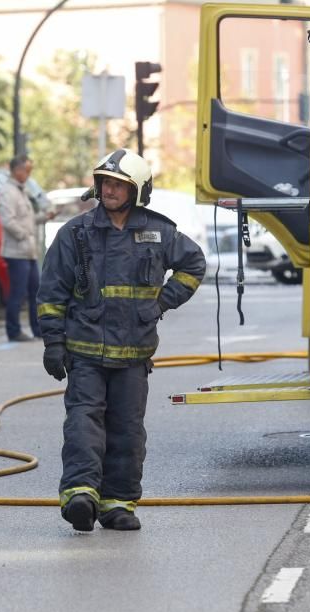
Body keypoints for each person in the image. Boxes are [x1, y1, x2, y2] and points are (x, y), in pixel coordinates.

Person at [36, 149, 206, 532]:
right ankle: (80, 494)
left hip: (133, 355)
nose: (109, 190)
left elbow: (194, 265)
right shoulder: (74, 233)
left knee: (128, 430)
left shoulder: (160, 232)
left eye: (118, 184)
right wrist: (53, 343)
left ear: (137, 190)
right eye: (105, 183)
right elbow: (51, 294)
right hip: (84, 352)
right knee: (83, 423)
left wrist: (163, 301)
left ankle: (117, 504)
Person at [0, 154, 45, 342]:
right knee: (18, 293)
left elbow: (28, 219)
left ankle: (37, 328)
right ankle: (13, 330)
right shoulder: (7, 192)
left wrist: (45, 217)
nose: (28, 174)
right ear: (17, 170)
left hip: (28, 251)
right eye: (27, 170)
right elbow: (8, 220)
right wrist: (23, 235)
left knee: (36, 290)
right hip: (16, 251)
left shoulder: (22, 190)